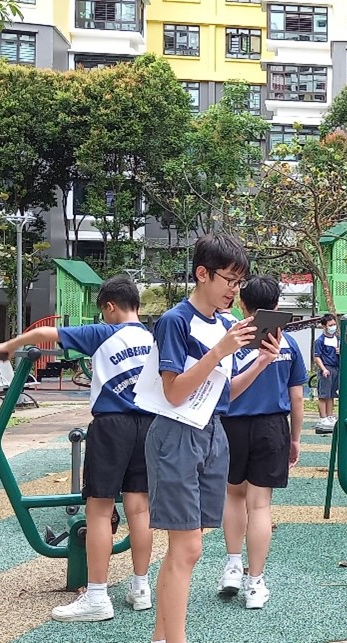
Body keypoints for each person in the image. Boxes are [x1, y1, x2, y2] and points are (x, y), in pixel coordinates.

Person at [0, 275, 156, 622]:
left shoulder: (104, 332)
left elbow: (41, 335)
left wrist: (7, 346)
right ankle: (141, 587)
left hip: (112, 425)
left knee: (98, 509)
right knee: (139, 509)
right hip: (148, 426)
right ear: (137, 306)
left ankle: (97, 596)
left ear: (109, 308)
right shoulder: (152, 338)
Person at [131, 234, 259, 643]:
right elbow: (173, 391)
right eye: (228, 279)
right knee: (187, 549)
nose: (233, 290)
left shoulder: (225, 325)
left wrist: (264, 360)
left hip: (212, 431)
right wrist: (219, 351)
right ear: (202, 274)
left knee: (189, 548)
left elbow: (224, 393)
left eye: (239, 282)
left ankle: (160, 639)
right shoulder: (175, 320)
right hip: (176, 433)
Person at [218, 276, 307, 610]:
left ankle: (231, 566)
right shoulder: (289, 345)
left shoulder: (231, 339)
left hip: (231, 426)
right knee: (260, 505)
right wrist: (295, 439)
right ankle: (255, 584)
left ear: (243, 304)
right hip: (273, 427)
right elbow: (296, 399)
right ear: (277, 306)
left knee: (233, 495)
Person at [313, 314, 339, 430]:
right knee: (323, 395)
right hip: (326, 368)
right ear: (324, 326)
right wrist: (323, 369)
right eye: (330, 325)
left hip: (336, 368)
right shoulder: (319, 341)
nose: (333, 327)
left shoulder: (338, 339)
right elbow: (317, 357)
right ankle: (323, 417)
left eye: (334, 324)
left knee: (332, 395)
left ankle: (330, 416)